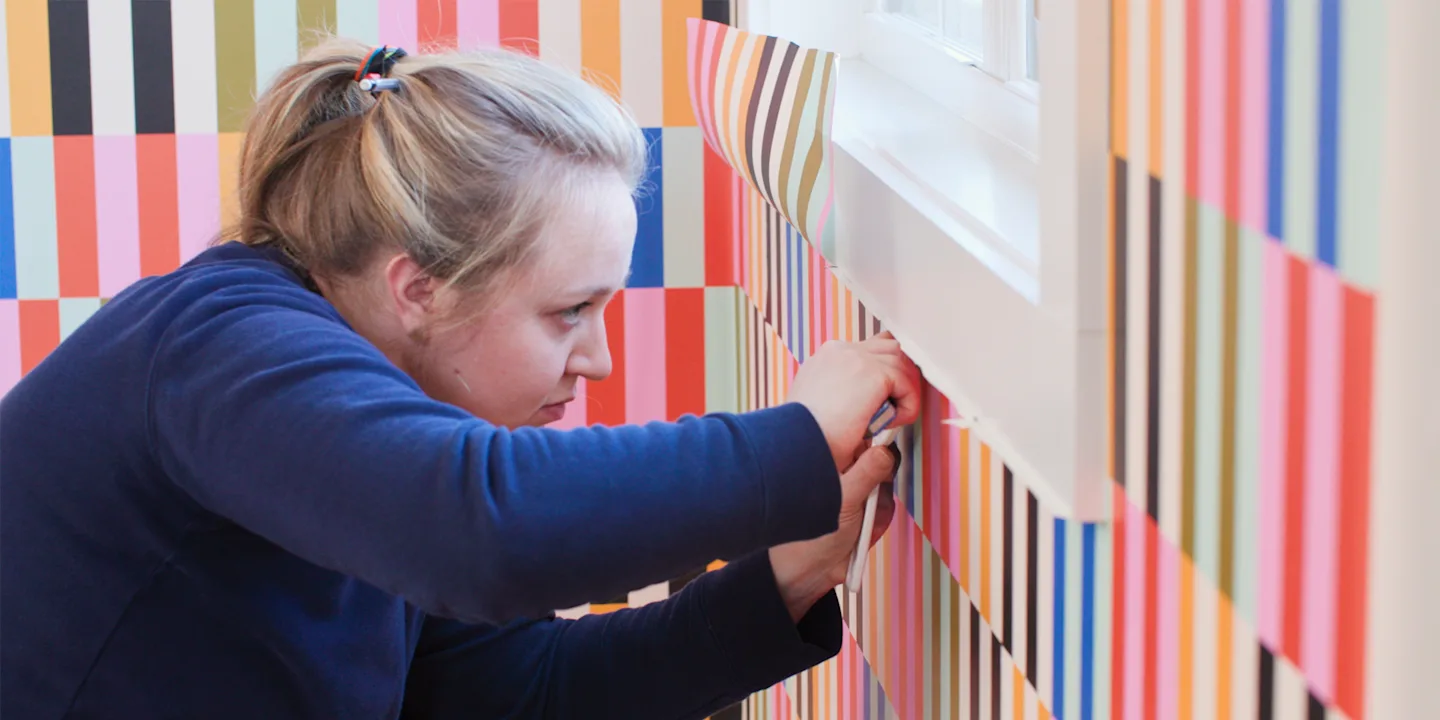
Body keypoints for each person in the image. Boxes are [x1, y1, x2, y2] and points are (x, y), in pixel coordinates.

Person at [0, 38, 919, 718]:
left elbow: (512, 692)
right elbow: (488, 526)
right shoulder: (214, 347)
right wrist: (793, 438)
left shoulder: (372, 430)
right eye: (569, 311)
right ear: (419, 290)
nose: (597, 359)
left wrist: (780, 584)